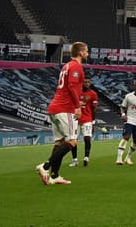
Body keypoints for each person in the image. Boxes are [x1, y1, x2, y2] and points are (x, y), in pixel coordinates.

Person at [36, 41, 88, 186]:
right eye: (86, 51)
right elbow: (71, 85)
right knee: (72, 141)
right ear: (80, 52)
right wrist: (77, 106)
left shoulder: (66, 66)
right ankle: (45, 166)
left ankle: (55, 176)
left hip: (55, 108)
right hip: (65, 109)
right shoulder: (76, 66)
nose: (87, 54)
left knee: (59, 143)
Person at [69, 78, 98, 167]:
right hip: (75, 119)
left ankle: (86, 157)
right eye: (85, 82)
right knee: (73, 140)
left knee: (87, 138)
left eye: (88, 82)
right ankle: (75, 160)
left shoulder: (93, 94)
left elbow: (94, 109)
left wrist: (93, 121)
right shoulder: (76, 92)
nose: (87, 83)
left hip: (87, 119)